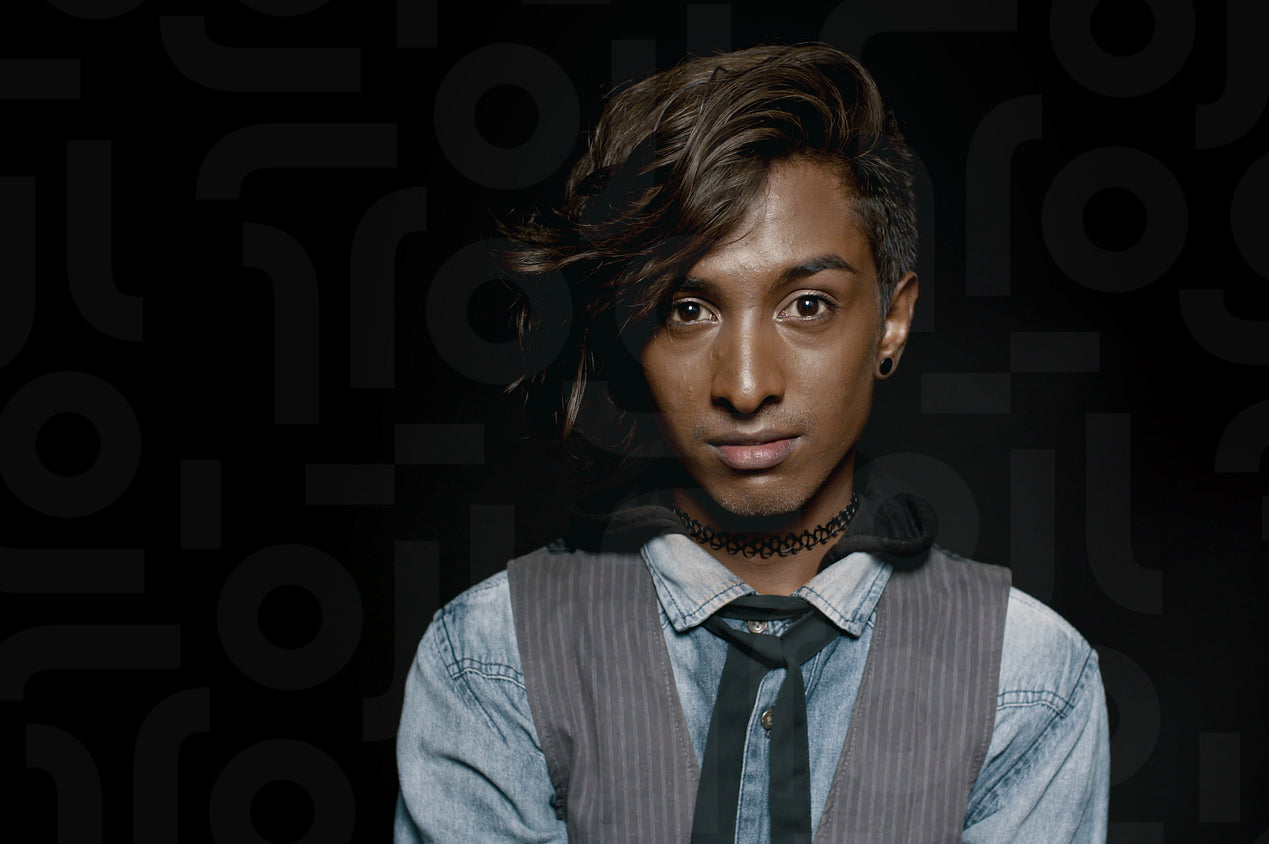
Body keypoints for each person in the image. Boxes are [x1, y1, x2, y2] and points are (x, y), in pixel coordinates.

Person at [395, 43, 1109, 842]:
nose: (744, 385)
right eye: (687, 310)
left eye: (807, 305)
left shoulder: (1026, 676)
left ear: (892, 320)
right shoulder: (493, 661)